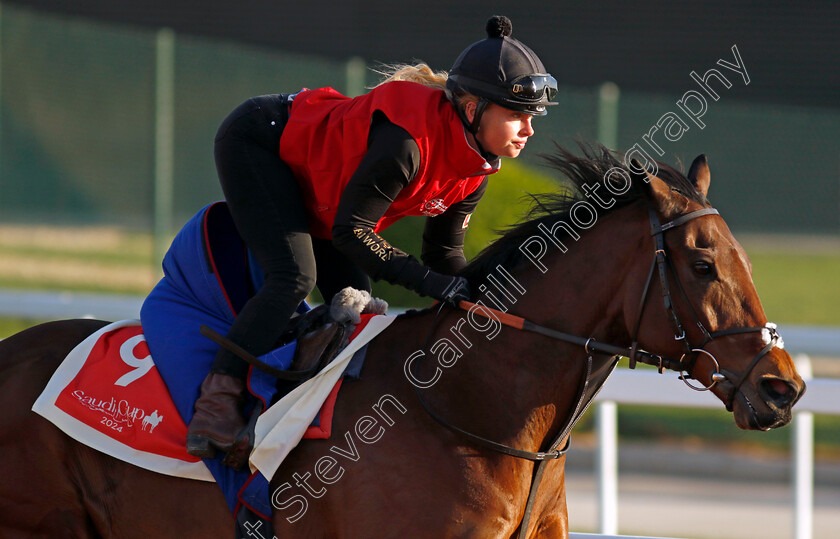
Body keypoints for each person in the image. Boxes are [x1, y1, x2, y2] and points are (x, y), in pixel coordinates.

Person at [186, 15, 558, 468]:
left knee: (357, 309)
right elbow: (352, 232)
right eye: (517, 115)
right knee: (293, 277)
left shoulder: (475, 169)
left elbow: (443, 255)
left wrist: (488, 302)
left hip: (324, 194)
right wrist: (437, 287)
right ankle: (214, 404)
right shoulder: (406, 144)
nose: (529, 130)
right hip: (259, 144)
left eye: (532, 117)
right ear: (472, 107)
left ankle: (285, 417)